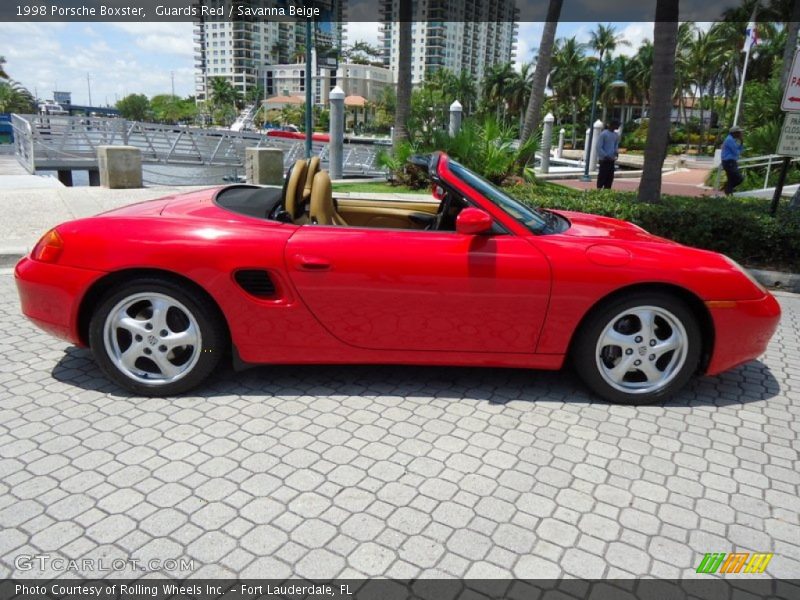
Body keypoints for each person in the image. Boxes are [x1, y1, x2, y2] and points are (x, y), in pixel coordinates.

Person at [596, 120, 620, 189]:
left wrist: (616, 153)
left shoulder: (616, 135)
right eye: (617, 125)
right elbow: (598, 147)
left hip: (611, 160)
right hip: (604, 160)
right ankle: (599, 189)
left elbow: (615, 145)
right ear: (613, 125)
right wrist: (605, 155)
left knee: (610, 177)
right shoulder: (604, 134)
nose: (618, 127)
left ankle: (607, 190)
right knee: (602, 176)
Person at [721, 126, 744, 195]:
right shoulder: (729, 140)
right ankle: (727, 188)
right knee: (739, 178)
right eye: (739, 132)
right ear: (734, 133)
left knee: (731, 179)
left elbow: (739, 151)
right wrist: (740, 143)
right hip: (729, 162)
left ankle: (728, 191)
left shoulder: (731, 140)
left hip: (731, 162)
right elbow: (736, 152)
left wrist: (741, 142)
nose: (741, 134)